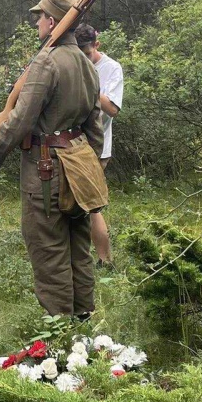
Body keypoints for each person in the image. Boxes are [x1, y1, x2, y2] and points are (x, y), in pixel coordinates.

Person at [0, 0, 106, 318]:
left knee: (49, 250)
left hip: (46, 172)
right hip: (80, 169)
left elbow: (20, 120)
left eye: (40, 18)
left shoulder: (46, 62)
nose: (37, 24)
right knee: (79, 249)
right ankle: (83, 324)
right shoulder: (87, 64)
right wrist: (90, 168)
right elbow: (94, 128)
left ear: (51, 21)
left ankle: (59, 335)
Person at [74, 24, 123, 265]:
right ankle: (78, 258)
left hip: (97, 147)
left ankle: (105, 260)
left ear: (97, 45)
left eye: (87, 54)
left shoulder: (111, 68)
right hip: (72, 144)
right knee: (73, 204)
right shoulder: (73, 63)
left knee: (92, 205)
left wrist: (90, 82)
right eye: (79, 54)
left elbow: (112, 109)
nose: (84, 59)